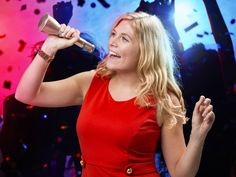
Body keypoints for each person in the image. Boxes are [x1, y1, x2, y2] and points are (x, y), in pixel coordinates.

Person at [15, 11, 215, 177]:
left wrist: (197, 136)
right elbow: (26, 94)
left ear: (146, 50)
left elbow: (181, 173)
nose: (112, 43)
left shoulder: (164, 98)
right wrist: (49, 47)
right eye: (113, 34)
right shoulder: (91, 81)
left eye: (124, 38)